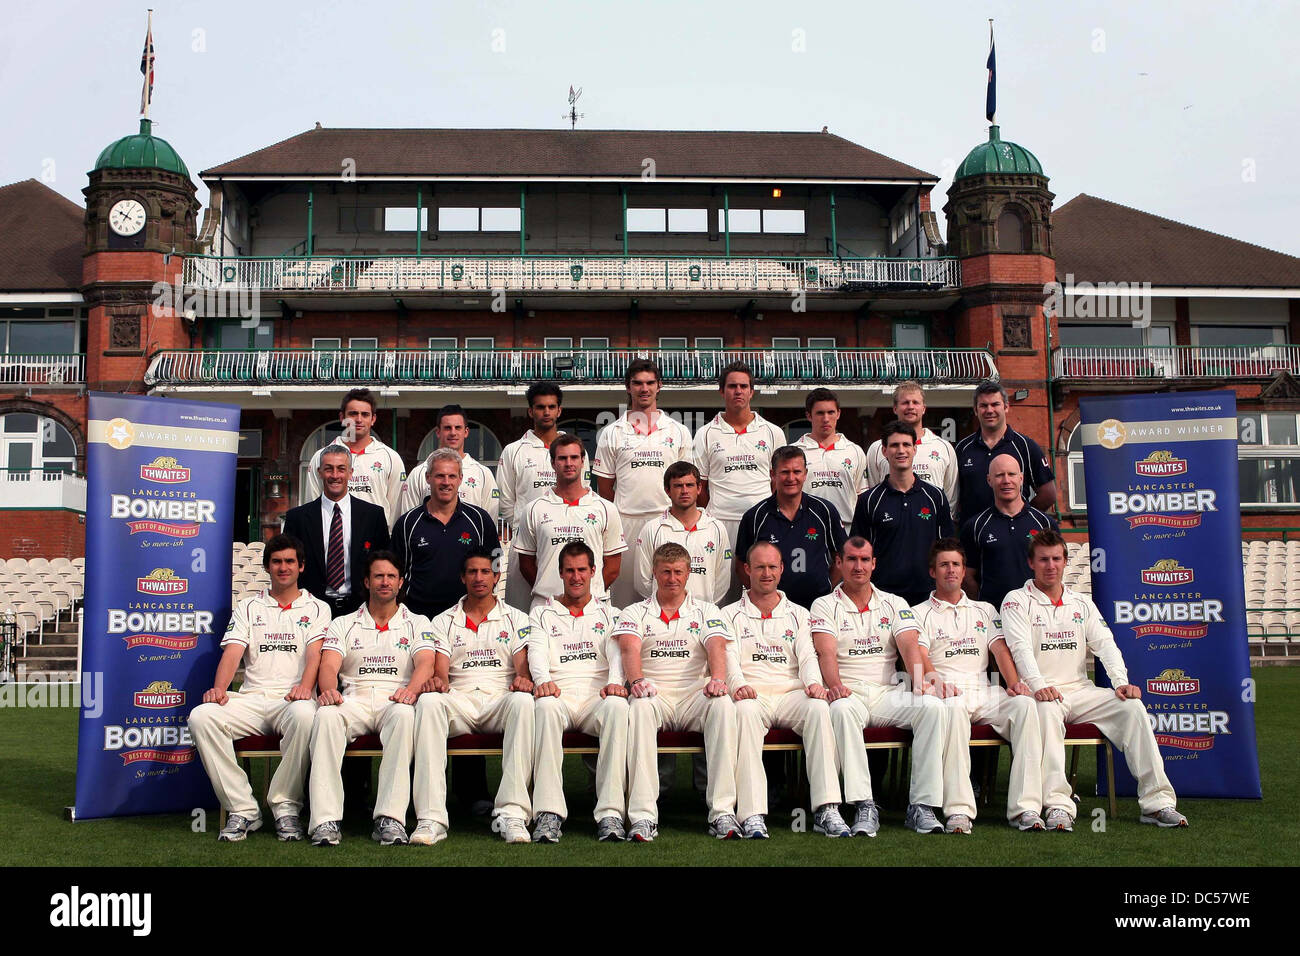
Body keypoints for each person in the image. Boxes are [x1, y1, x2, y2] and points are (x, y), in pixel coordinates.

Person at [1001, 531, 1187, 830]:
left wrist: (1120, 682)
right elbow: (1020, 649)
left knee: (1133, 708)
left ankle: (1157, 803)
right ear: (1030, 563)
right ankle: (1058, 806)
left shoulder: (1081, 602)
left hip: (1079, 690)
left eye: (1057, 559)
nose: (1051, 566)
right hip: (1040, 694)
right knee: (1046, 714)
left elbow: (1105, 644)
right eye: (1044, 559)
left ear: (1065, 561)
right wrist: (1038, 686)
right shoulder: (1016, 601)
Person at [810, 537, 971, 835]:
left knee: (933, 707)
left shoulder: (894, 603)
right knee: (842, 710)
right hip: (849, 691)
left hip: (887, 692)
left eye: (864, 560)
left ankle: (922, 805)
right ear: (840, 563)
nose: (859, 566)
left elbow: (910, 647)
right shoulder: (824, 604)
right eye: (852, 560)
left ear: (874, 564)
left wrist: (923, 681)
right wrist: (834, 686)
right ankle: (863, 804)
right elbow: (826, 652)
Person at [189, 534, 331, 842]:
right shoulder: (248, 607)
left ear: (301, 567)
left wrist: (305, 688)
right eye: (277, 562)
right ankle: (243, 809)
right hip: (252, 698)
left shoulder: (318, 608)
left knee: (307, 715)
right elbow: (232, 653)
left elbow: (315, 656)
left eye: (290, 562)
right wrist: (219, 689)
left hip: (292, 699)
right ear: (267, 566)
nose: (283, 568)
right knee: (202, 716)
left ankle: (285, 807)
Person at [908, 539, 1046, 832]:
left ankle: (1026, 808)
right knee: (954, 707)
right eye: (944, 565)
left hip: (984, 689)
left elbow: (1000, 651)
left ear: (963, 569)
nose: (951, 571)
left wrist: (1015, 684)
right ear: (932, 571)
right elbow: (918, 654)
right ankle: (958, 810)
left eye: (956, 564)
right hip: (945, 690)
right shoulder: (919, 612)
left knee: (1025, 705)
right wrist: (936, 682)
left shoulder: (985, 610)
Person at [613, 543, 744, 842]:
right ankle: (643, 816)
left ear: (688, 574)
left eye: (678, 572)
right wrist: (636, 681)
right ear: (654, 573)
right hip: (654, 691)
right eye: (666, 572)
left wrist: (718, 680)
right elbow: (629, 648)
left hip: (692, 694)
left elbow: (716, 646)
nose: (672, 578)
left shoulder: (707, 610)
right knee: (641, 706)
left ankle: (723, 812)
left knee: (723, 704)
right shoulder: (635, 611)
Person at [307, 552, 438, 847]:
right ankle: (325, 820)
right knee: (326, 715)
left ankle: (390, 819)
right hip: (354, 698)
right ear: (366, 581)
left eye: (391, 576)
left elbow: (426, 663)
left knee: (405, 715)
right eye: (378, 576)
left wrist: (411, 691)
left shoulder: (417, 622)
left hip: (396, 698)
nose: (385, 582)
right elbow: (328, 665)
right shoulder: (344, 623)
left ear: (401, 582)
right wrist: (328, 690)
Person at [411, 547, 537, 845]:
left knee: (523, 701)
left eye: (485, 572)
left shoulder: (516, 619)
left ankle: (512, 814)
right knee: (429, 702)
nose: (479, 578)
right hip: (461, 699)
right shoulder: (443, 621)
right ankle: (431, 818)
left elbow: (522, 667)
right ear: (462, 577)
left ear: (496, 577)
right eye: (472, 572)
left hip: (499, 698)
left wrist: (523, 679)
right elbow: (441, 673)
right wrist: (438, 683)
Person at [725, 541, 850, 839]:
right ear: (747, 570)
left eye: (772, 567)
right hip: (752, 694)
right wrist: (739, 685)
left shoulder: (799, 614)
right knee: (742, 711)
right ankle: (753, 813)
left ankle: (826, 808)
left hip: (791, 692)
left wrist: (813, 684)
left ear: (782, 569)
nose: (766, 573)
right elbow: (728, 659)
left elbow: (808, 655)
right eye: (759, 567)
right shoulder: (729, 614)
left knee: (819, 708)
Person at [527, 542, 630, 842]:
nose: (576, 577)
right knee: (543, 707)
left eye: (581, 570)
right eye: (569, 570)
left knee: (617, 707)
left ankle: (610, 812)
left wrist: (614, 682)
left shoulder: (612, 613)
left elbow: (618, 652)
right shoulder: (542, 613)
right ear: (560, 573)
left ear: (593, 572)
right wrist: (542, 680)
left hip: (596, 697)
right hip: (559, 694)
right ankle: (548, 813)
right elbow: (536, 651)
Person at [594, 358, 695, 608]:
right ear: (628, 387)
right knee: (625, 601)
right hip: (626, 524)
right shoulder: (612, 432)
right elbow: (605, 488)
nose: (644, 389)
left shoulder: (678, 431)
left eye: (650, 382)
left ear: (659, 386)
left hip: (667, 522)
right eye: (637, 383)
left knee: (669, 595)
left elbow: (686, 481)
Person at [693, 361, 786, 602]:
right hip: (720, 524)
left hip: (761, 523)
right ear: (722, 391)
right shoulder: (706, 433)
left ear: (752, 391)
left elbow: (778, 480)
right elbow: (700, 486)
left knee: (760, 591)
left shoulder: (772, 432)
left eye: (744, 386)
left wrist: (765, 509)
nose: (738, 391)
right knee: (720, 594)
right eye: (732, 386)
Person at [498, 383, 591, 611]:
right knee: (522, 612)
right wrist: (525, 528)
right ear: (531, 411)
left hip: (566, 539)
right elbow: (506, 500)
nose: (546, 412)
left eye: (551, 407)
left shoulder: (575, 450)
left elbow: (583, 491)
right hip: (525, 545)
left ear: (559, 410)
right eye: (540, 407)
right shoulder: (514, 450)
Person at [514, 433, 626, 609]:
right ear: (552, 463)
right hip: (546, 605)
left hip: (593, 606)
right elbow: (526, 564)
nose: (568, 463)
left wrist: (585, 594)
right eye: (562, 458)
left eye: (574, 457)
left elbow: (613, 566)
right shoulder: (534, 509)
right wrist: (549, 590)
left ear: (583, 461)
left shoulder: (605, 508)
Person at [851, 421, 955, 608]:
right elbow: (859, 553)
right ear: (884, 451)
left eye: (906, 445)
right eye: (894, 445)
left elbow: (948, 549)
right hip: (883, 598)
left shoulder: (935, 497)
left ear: (915, 449)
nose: (901, 450)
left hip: (929, 597)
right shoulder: (869, 500)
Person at [391, 448, 501, 619]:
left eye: (452, 476)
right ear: (428, 478)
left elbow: (495, 558)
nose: (446, 482)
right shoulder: (407, 523)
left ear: (460, 479)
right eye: (439, 476)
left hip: (467, 617)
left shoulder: (479, 519)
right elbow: (395, 572)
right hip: (419, 617)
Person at [283, 446, 391, 618]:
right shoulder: (297, 518)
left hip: (361, 609)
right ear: (319, 472)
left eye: (341, 469)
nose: (335, 475)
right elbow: (289, 563)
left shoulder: (373, 516)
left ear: (350, 473)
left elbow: (383, 563)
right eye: (328, 469)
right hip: (311, 610)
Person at [734, 446, 847, 610]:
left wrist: (828, 588)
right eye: (785, 472)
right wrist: (761, 595)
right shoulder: (755, 516)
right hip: (773, 609)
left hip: (819, 607)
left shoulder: (824, 510)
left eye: (797, 471)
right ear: (773, 474)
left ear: (806, 473)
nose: (791, 478)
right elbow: (741, 564)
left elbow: (841, 556)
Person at [959, 453, 1059, 609]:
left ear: (1021, 478)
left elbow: (1056, 569)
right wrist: (986, 609)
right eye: (999, 475)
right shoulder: (975, 526)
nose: (1006, 481)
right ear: (989, 480)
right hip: (994, 619)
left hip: (1038, 615)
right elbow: (967, 576)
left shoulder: (1045, 524)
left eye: (1011, 474)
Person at [305, 388, 407, 528]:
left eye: (365, 414)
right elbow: (312, 502)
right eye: (353, 414)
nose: (358, 419)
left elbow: (397, 509)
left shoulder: (390, 457)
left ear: (373, 419)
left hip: (374, 537)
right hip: (334, 537)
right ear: (342, 417)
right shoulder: (321, 456)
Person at [632, 461, 732, 604]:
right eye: (678, 486)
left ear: (699, 488)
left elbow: (722, 580)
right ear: (667, 490)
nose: (684, 491)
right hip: (662, 613)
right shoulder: (652, 529)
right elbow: (642, 580)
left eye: (689, 485)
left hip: (703, 614)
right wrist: (667, 603)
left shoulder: (716, 528)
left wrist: (703, 608)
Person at [954, 381, 1056, 520]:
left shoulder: (1025, 446)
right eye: (983, 406)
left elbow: (1048, 494)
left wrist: (1024, 518)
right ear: (976, 410)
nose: (989, 410)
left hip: (1014, 535)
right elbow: (954, 496)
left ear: (1006, 407)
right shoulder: (962, 448)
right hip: (972, 536)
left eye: (995, 404)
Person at [866, 381, 959, 512]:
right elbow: (874, 489)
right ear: (895, 408)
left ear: (924, 408)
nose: (910, 407)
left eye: (915, 402)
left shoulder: (943, 447)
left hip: (930, 523)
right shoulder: (877, 448)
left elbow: (951, 496)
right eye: (905, 403)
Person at [399, 404, 500, 522]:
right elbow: (409, 521)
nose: (453, 433)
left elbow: (488, 522)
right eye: (447, 428)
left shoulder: (483, 474)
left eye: (458, 427)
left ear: (466, 432)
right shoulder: (418, 474)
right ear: (438, 432)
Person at [793, 387, 869, 531]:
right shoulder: (795, 451)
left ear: (838, 414)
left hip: (846, 528)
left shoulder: (854, 451)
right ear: (809, 415)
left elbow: (862, 497)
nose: (826, 419)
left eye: (831, 412)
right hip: (805, 526)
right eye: (820, 413)